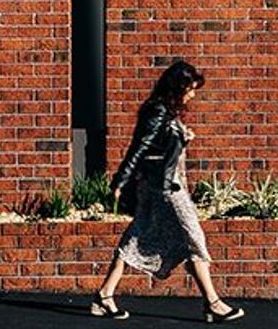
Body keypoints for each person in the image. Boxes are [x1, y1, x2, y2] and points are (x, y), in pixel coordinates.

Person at [90, 58, 242, 322]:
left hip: (158, 187)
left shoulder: (165, 112)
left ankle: (105, 295)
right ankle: (213, 303)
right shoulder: (157, 111)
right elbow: (139, 148)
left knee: (137, 236)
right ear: (177, 88)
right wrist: (119, 182)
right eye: (190, 89)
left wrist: (183, 138)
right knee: (194, 237)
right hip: (166, 190)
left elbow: (161, 147)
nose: (193, 95)